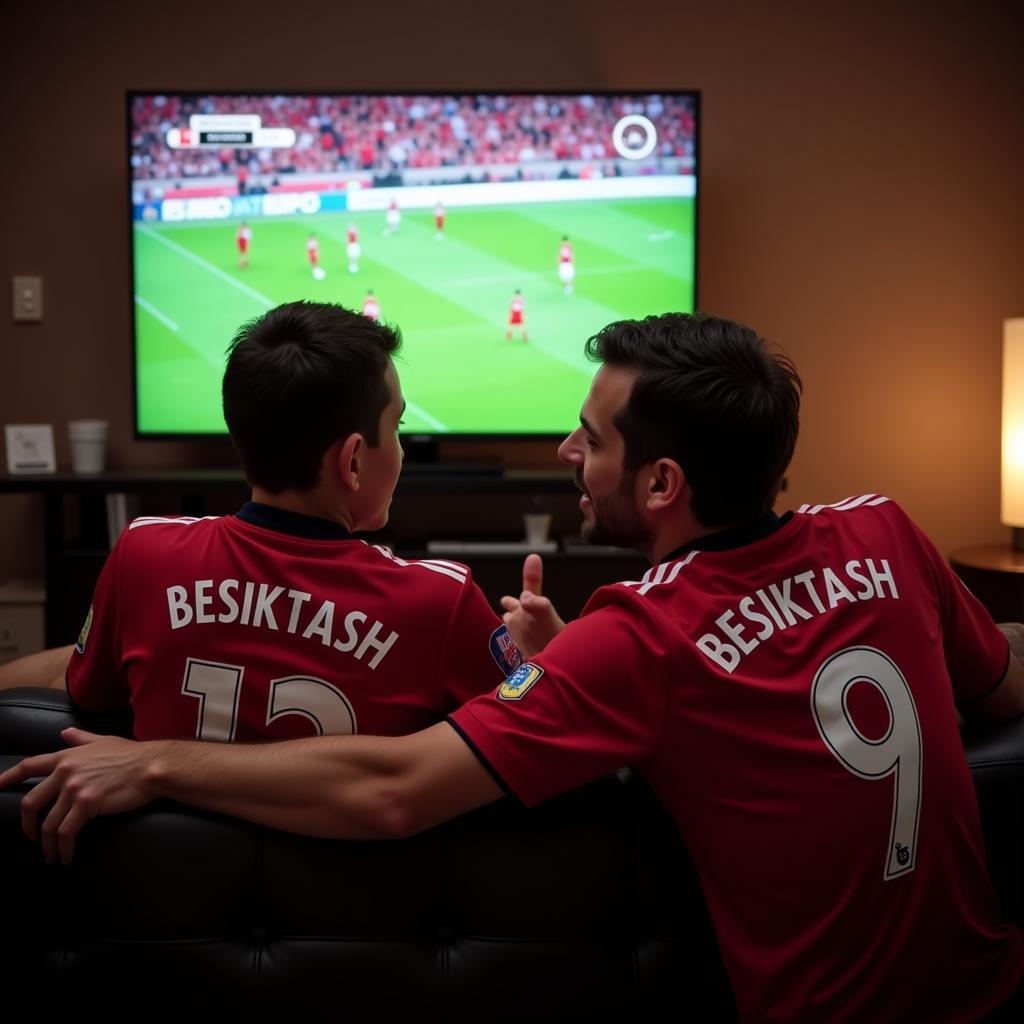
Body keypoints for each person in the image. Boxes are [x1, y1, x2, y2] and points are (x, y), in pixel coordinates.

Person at [5, 312, 1023, 1022]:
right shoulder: (887, 531)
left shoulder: (633, 639)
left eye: (588, 437)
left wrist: (153, 760)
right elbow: (1000, 693)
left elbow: (396, 788)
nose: (563, 449)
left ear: (662, 480)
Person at [0, 301, 518, 745]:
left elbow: (89, 691)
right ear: (353, 461)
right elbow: (537, 729)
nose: (401, 447)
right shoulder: (441, 604)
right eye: (397, 426)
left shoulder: (144, 555)